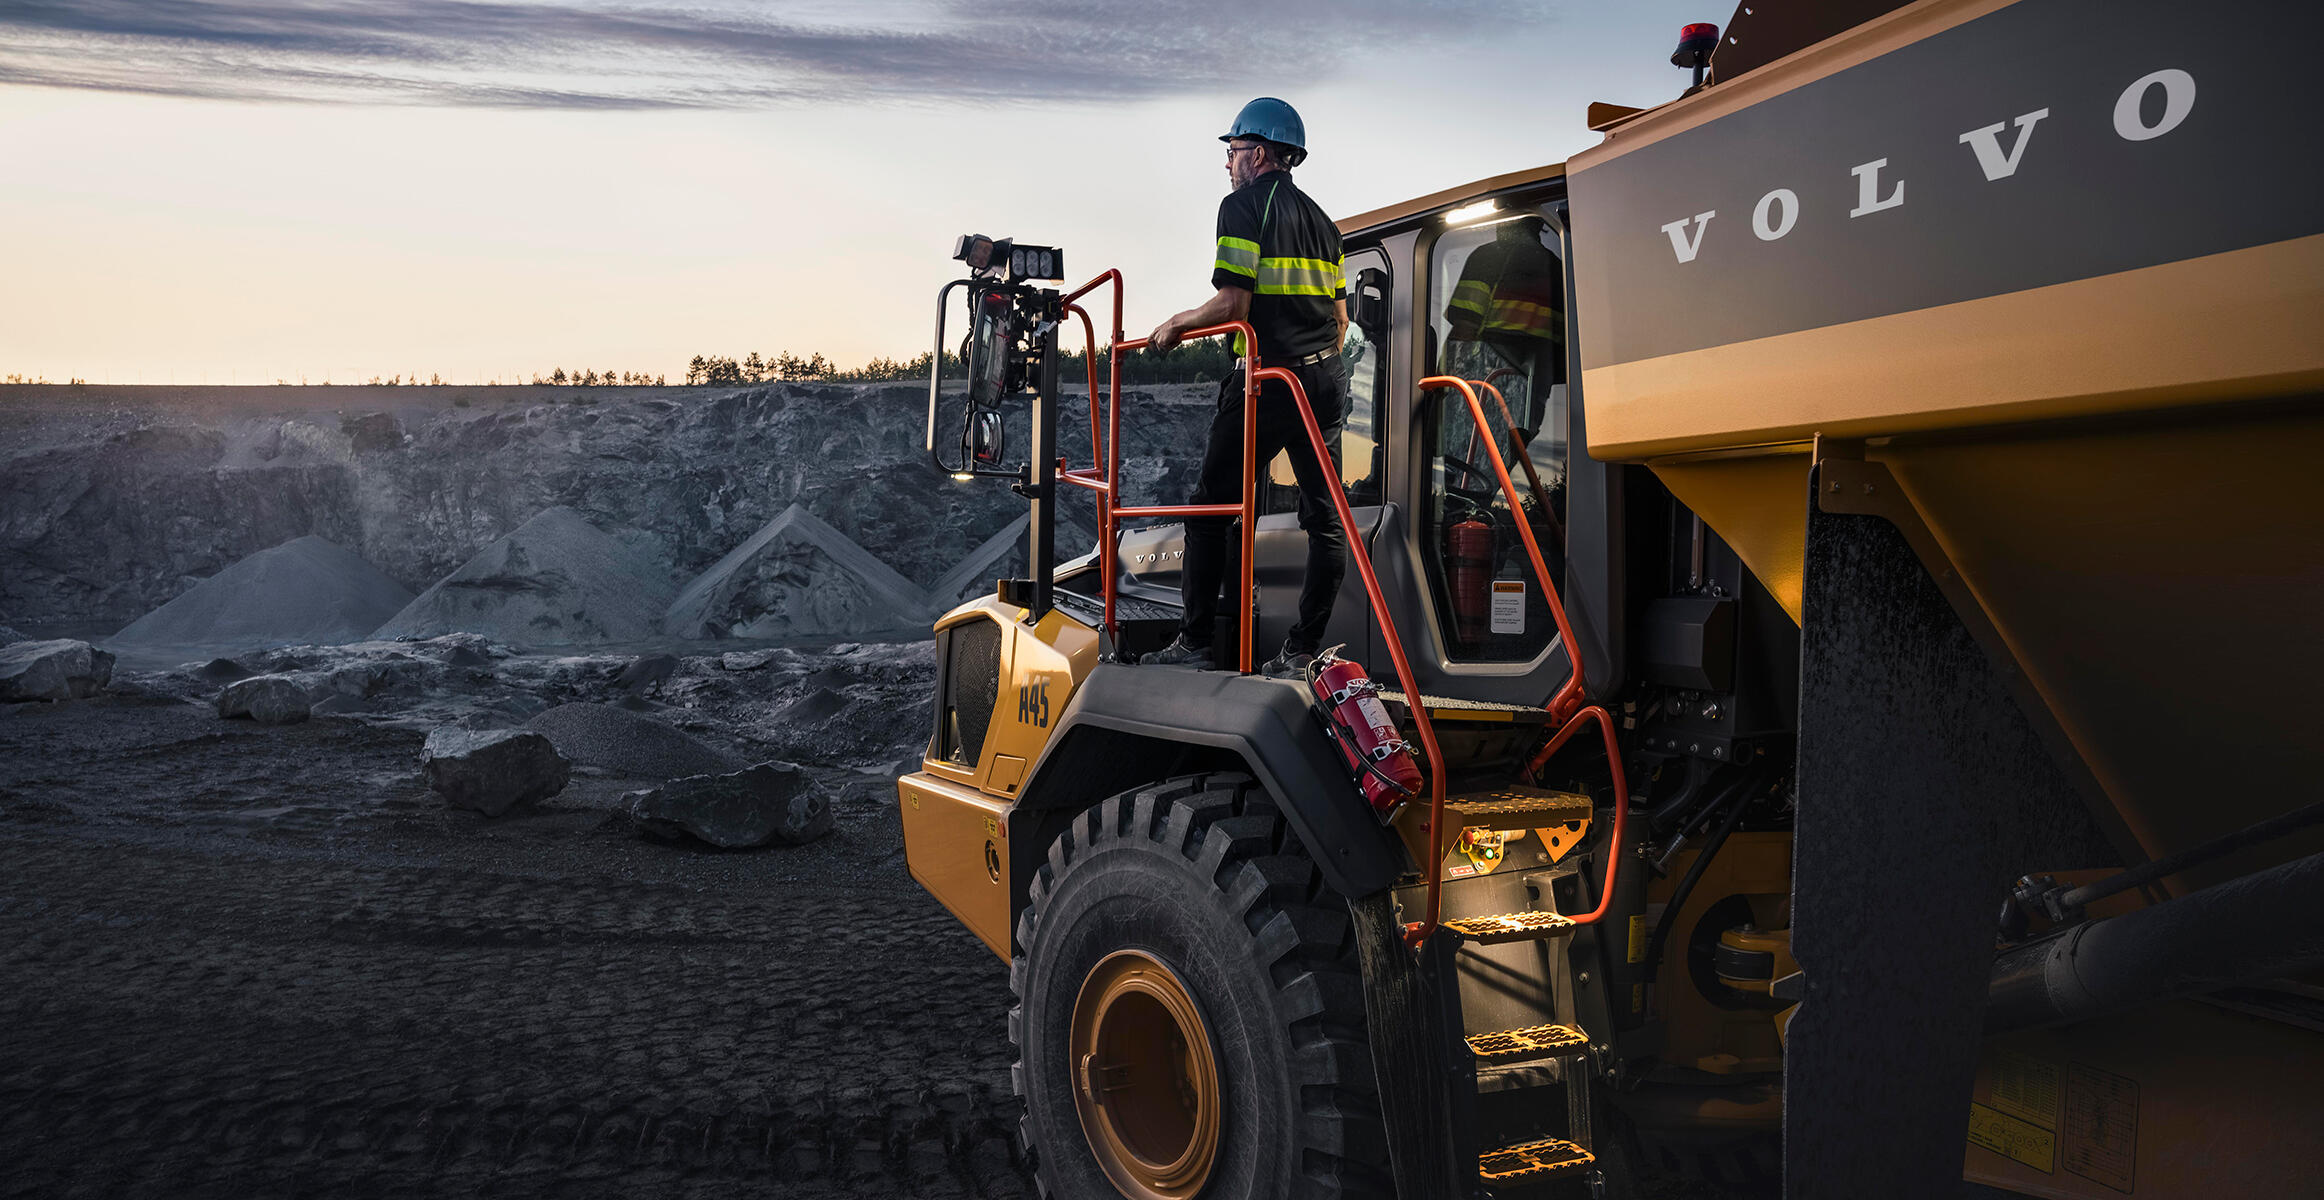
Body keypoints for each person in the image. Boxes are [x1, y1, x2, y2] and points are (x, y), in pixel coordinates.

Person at [1140, 97, 1349, 679]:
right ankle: (1303, 649)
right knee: (1326, 522)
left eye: (1232, 152)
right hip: (1321, 381)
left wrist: (1176, 324)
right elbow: (1343, 321)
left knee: (1209, 511)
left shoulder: (1240, 207)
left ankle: (1196, 642)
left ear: (1258, 154)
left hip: (1265, 381)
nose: (1227, 164)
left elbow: (1234, 303)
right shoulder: (1325, 223)